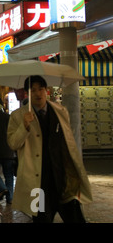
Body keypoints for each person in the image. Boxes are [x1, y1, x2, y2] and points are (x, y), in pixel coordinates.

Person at [7, 75, 92, 223]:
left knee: (76, 218)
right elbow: (13, 144)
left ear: (47, 90)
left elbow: (68, 141)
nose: (38, 93)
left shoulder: (60, 111)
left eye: (41, 89)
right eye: (33, 90)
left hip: (63, 180)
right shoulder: (17, 116)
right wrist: (24, 126)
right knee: (40, 220)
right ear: (27, 93)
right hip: (36, 185)